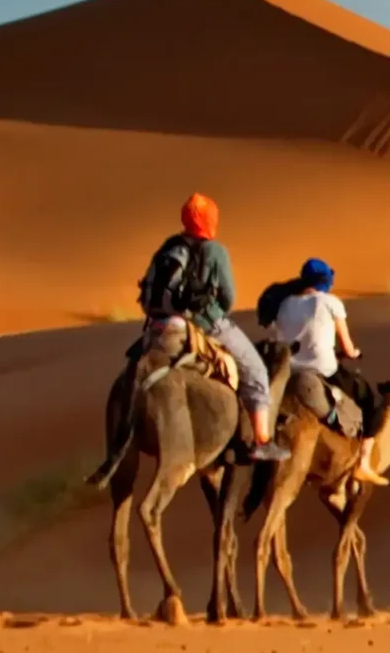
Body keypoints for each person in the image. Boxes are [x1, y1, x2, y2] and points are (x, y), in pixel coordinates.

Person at [138, 193, 286, 462]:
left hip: (157, 323)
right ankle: (262, 440)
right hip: (204, 323)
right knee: (255, 369)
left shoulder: (170, 245)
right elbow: (228, 298)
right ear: (210, 220)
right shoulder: (214, 250)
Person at [272, 257, 360, 433]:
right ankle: (364, 455)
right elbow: (348, 348)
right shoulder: (330, 302)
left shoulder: (285, 304)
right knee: (366, 398)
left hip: (288, 371)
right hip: (322, 370)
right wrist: (354, 353)